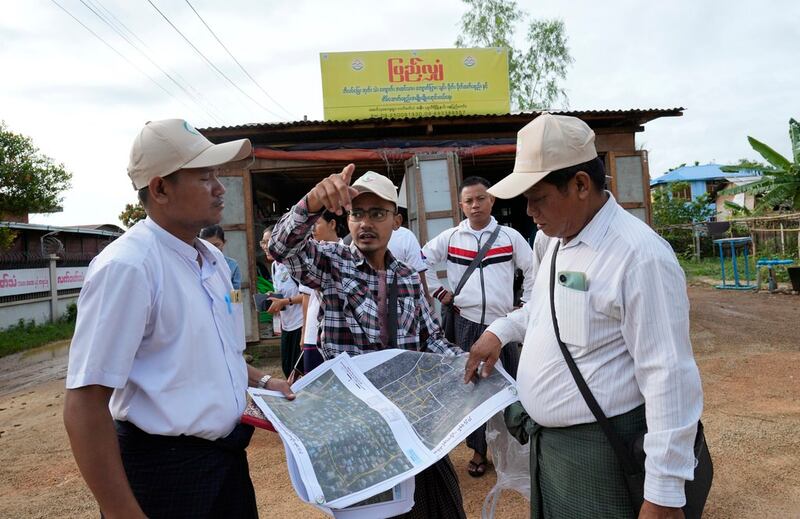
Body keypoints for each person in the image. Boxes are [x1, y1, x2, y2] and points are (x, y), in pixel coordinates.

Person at [464, 114, 704, 518]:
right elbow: (545, 310)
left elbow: (669, 376)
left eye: (538, 198)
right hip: (552, 453)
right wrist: (500, 330)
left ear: (580, 184)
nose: (529, 211)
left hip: (602, 453)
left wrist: (662, 494)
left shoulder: (639, 256)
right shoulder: (554, 241)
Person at [62, 118, 294, 519]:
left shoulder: (214, 260)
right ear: (160, 188)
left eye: (217, 174)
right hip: (162, 473)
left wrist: (265, 381)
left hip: (226, 462)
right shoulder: (128, 267)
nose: (220, 188)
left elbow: (213, 351)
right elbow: (84, 404)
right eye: (205, 177)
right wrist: (122, 513)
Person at [269, 166, 467, 519]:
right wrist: (313, 200)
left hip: (406, 419)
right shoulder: (331, 263)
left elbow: (431, 339)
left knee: (436, 506)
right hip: (353, 424)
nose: (365, 223)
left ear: (395, 220)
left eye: (377, 214)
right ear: (347, 218)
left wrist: (466, 364)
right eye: (358, 213)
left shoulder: (406, 278)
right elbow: (282, 246)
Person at [422, 175, 534, 478]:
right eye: (469, 200)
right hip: (466, 325)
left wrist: (526, 306)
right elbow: (420, 260)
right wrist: (438, 291)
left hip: (503, 328)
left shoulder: (509, 237)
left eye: (481, 198)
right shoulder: (450, 238)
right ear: (461, 205)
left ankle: (517, 451)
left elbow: (532, 268)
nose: (475, 205)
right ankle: (478, 451)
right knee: (471, 389)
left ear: (492, 200)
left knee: (511, 386)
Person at [298, 210, 345, 373]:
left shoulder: (349, 254)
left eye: (316, 224)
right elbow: (306, 297)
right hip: (313, 331)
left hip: (339, 334)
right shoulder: (309, 257)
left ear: (332, 224)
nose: (312, 229)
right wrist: (304, 332)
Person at [264, 223, 305, 380]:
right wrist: (273, 296)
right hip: (286, 324)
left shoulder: (294, 264)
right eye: (263, 242)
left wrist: (285, 301)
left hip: (300, 323)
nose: (266, 246)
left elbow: (309, 295)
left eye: (269, 241)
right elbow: (283, 292)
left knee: (297, 371)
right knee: (286, 367)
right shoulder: (275, 266)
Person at [199, 224, 241, 289]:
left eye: (216, 245)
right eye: (207, 246)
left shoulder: (232, 265)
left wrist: (235, 299)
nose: (212, 249)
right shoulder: (196, 264)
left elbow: (236, 293)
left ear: (224, 242)